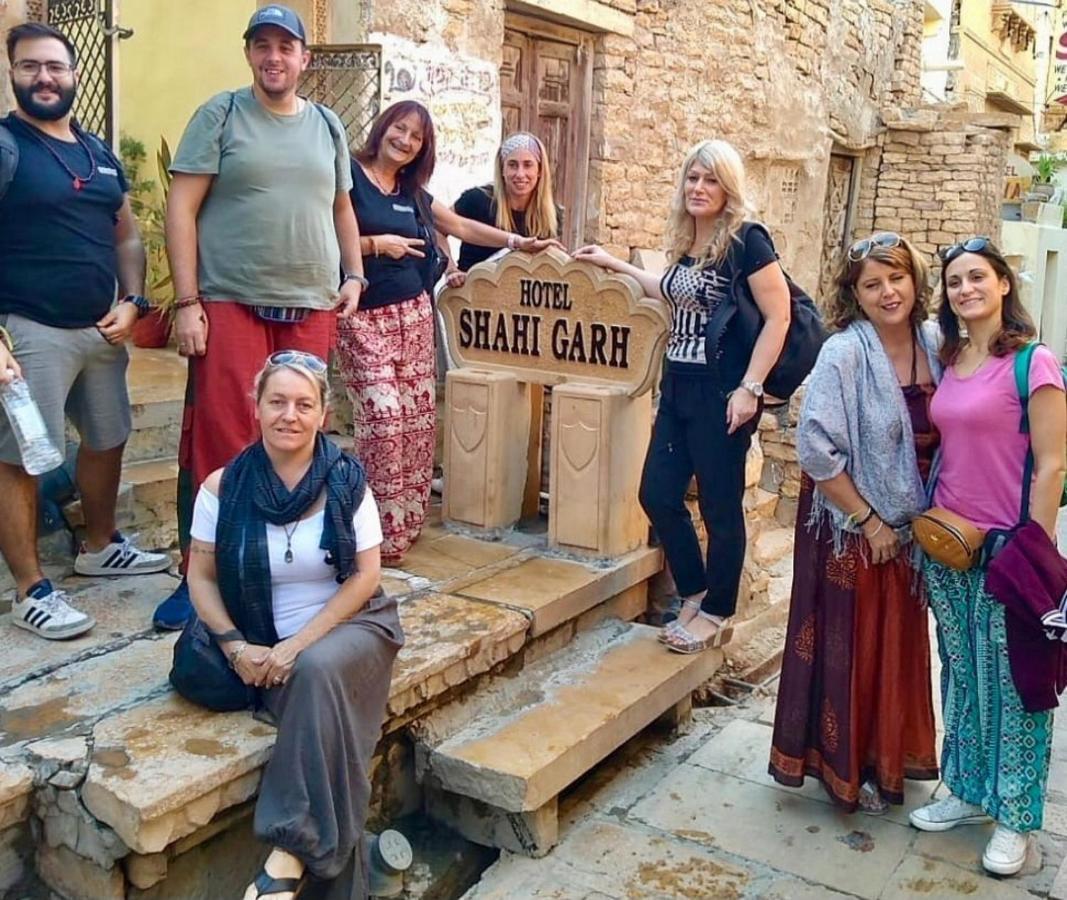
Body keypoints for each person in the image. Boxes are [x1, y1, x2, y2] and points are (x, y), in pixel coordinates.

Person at [154, 4, 367, 631]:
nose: (275, 57)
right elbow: (180, 209)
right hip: (230, 302)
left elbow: (342, 209)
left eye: (286, 46)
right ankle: (200, 579)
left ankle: (283, 575)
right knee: (222, 444)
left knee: (299, 436)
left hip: (309, 305)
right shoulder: (220, 114)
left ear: (305, 58)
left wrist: (354, 274)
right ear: (249, 53)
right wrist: (188, 303)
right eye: (263, 45)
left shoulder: (327, 124)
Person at [185, 351, 403, 900]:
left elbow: (365, 578)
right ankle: (332, 881)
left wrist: (295, 645)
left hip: (352, 627)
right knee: (329, 719)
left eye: (304, 404)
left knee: (316, 666)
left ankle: (288, 851)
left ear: (323, 413)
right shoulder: (221, 488)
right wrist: (237, 647)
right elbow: (201, 578)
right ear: (255, 408)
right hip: (258, 641)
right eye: (277, 401)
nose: (290, 415)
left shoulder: (348, 482)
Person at [573, 138, 790, 653]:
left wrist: (749, 388)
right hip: (677, 386)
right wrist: (614, 266)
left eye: (710, 179)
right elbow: (673, 291)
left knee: (719, 507)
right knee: (657, 494)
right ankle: (694, 589)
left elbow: (779, 316)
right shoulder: (690, 241)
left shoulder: (747, 241)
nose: (699, 188)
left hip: (723, 391)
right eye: (693, 177)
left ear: (728, 188)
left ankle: (716, 610)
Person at [0, 23, 169, 641]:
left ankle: (98, 545)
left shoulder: (97, 153)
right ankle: (29, 589)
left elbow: (125, 235)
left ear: (72, 74)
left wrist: (134, 301)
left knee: (107, 437)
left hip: (102, 331)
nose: (44, 77)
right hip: (28, 330)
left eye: (54, 67)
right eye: (30, 67)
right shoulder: (6, 146)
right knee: (21, 460)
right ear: (13, 73)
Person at [335, 101, 560, 562]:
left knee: (418, 425)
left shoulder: (412, 189)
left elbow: (457, 225)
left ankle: (405, 528)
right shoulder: (350, 176)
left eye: (416, 137)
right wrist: (378, 244)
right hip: (364, 317)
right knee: (382, 420)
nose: (405, 141)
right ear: (383, 129)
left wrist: (517, 242)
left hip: (414, 314)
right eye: (400, 129)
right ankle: (372, 532)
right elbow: (322, 234)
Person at [768, 232, 940, 814]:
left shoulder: (936, 343)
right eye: (872, 284)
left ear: (915, 281)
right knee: (850, 639)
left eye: (896, 278)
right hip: (850, 522)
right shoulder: (844, 352)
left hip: (912, 523)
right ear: (856, 295)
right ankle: (843, 766)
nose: (887, 292)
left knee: (896, 639)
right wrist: (869, 521)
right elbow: (816, 449)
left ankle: (886, 752)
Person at [908, 237, 1065, 876]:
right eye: (953, 282)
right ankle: (967, 790)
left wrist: (1033, 544)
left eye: (978, 277)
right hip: (949, 545)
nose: (965, 289)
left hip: (1007, 549)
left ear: (1003, 284)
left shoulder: (1034, 363)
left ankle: (1017, 819)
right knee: (963, 675)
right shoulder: (951, 358)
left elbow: (1054, 462)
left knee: (1017, 686)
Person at [444, 131, 561, 286]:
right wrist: (451, 269)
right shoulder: (477, 199)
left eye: (528, 165)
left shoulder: (552, 214)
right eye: (512, 165)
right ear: (502, 169)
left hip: (516, 306)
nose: (520, 174)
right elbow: (438, 227)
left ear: (539, 170)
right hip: (471, 299)